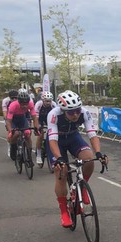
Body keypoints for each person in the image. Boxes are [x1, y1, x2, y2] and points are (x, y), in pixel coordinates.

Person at [47, 90, 107, 228]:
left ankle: (82, 188)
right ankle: (63, 211)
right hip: (57, 142)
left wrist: (98, 153)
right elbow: (53, 141)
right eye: (70, 112)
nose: (75, 114)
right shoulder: (54, 115)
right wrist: (60, 159)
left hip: (73, 138)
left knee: (89, 159)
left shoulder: (84, 113)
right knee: (61, 171)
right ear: (63, 110)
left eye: (77, 111)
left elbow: (92, 135)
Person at [5, 89, 40, 161]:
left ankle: (29, 153)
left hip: (22, 118)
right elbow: (8, 121)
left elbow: (34, 117)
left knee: (27, 133)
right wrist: (10, 131)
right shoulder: (13, 105)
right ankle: (13, 147)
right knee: (16, 134)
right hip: (13, 119)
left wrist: (36, 128)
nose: (24, 106)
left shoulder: (30, 103)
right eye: (22, 104)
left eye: (26, 104)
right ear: (19, 102)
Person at [34, 91, 56, 166]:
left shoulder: (53, 105)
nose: (48, 103)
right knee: (40, 135)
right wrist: (38, 126)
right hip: (40, 119)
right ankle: (39, 155)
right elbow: (35, 117)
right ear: (43, 100)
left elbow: (56, 116)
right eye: (46, 101)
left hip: (48, 119)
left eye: (49, 101)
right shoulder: (38, 104)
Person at [2, 89, 19, 157]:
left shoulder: (19, 100)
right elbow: (4, 111)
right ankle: (10, 147)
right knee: (11, 133)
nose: (14, 99)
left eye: (16, 98)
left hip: (18, 116)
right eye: (12, 98)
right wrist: (6, 120)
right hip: (9, 117)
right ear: (9, 97)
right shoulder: (5, 101)